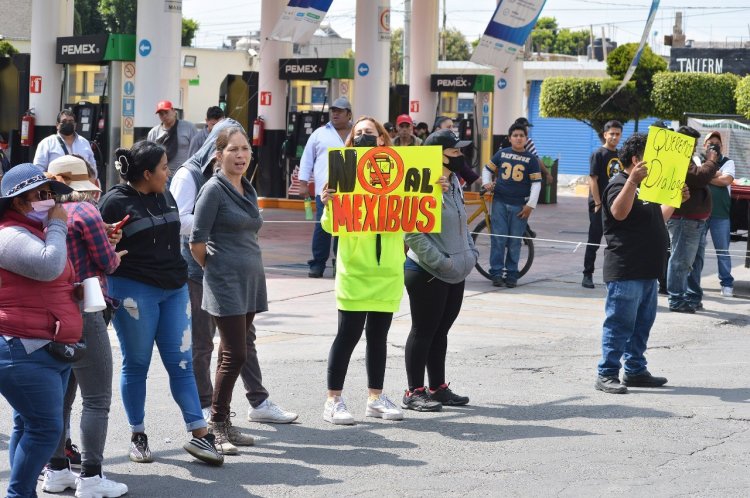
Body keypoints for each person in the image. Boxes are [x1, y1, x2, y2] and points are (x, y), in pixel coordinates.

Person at [98, 141, 223, 466]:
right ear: (147, 173)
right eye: (164, 168)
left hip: (174, 290)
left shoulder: (165, 195)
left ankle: (199, 434)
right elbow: (96, 247)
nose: (169, 173)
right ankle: (138, 435)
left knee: (181, 364)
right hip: (133, 293)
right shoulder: (113, 202)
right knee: (137, 363)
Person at [172, 120, 298, 428]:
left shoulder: (243, 183)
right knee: (205, 342)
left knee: (240, 343)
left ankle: (256, 400)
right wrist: (214, 263)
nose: (240, 154)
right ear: (217, 149)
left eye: (245, 148)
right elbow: (185, 224)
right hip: (203, 271)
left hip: (241, 277)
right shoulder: (191, 176)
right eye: (233, 148)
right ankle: (208, 408)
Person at [40, 155, 128, 497]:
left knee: (62, 397)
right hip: (86, 309)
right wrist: (114, 249)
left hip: (52, 312)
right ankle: (91, 477)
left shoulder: (43, 212)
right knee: (96, 398)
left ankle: (57, 469)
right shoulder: (88, 210)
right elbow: (107, 262)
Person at [319, 116, 406, 425]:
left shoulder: (401, 173)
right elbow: (331, 227)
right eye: (359, 134)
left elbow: (416, 214)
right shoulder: (342, 173)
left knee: (379, 336)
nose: (366, 137)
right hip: (355, 271)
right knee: (348, 335)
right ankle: (334, 400)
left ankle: (375, 397)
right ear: (351, 142)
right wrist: (328, 205)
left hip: (388, 272)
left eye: (371, 133)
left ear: (383, 138)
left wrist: (434, 189)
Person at [0, 163, 79, 498]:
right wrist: (58, 226)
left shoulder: (32, 230)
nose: (52, 202)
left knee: (29, 425)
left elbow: (53, 277)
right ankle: (19, 494)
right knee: (47, 430)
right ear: (19, 202)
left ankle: (21, 491)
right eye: (43, 195)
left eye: (52, 195)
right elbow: (49, 266)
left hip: (46, 345)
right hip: (24, 348)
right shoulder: (9, 235)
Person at [595, 133, 689, 394]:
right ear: (637, 160)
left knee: (641, 324)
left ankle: (635, 370)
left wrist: (674, 198)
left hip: (648, 269)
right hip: (626, 269)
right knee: (620, 324)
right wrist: (632, 181)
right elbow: (618, 212)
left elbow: (658, 217)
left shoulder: (649, 187)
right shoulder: (620, 183)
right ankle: (607, 373)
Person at [402, 129, 478, 412]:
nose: (460, 156)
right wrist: (441, 261)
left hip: (456, 269)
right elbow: (411, 231)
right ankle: (414, 391)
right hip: (427, 271)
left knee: (440, 330)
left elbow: (462, 222)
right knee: (423, 330)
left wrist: (470, 253)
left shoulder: (454, 182)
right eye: (454, 151)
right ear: (437, 154)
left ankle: (437, 387)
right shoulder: (422, 183)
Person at [666, 126, 719, 313]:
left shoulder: (688, 158)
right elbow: (700, 177)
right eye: (691, 144)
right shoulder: (676, 158)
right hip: (684, 219)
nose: (694, 148)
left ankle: (691, 295)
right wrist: (711, 161)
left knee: (694, 261)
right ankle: (677, 299)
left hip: (695, 220)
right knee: (681, 260)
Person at [482, 122, 542, 288]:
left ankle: (512, 274)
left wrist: (531, 205)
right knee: (498, 239)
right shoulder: (502, 153)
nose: (518, 138)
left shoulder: (532, 159)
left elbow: (537, 183)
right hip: (499, 202)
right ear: (509, 138)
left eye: (521, 135)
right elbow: (487, 169)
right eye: (515, 135)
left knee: (515, 241)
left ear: (526, 139)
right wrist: (486, 183)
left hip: (519, 205)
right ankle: (496, 273)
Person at [298, 96, 352, 278]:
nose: (335, 114)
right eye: (333, 110)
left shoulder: (356, 134)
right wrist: (303, 183)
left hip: (350, 191)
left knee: (344, 229)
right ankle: (317, 263)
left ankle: (340, 263)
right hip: (325, 192)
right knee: (322, 228)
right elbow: (307, 159)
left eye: (340, 111)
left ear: (349, 114)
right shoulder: (319, 133)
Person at [582, 120, 623, 289]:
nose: (614, 137)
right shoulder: (598, 154)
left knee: (617, 242)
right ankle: (587, 274)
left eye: (617, 134)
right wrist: (598, 203)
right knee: (594, 240)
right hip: (600, 205)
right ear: (605, 134)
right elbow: (593, 179)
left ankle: (616, 275)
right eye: (611, 133)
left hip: (617, 205)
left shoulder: (621, 155)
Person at [704, 131, 735, 298]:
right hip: (699, 213)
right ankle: (691, 283)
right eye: (710, 142)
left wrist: (706, 175)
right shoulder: (697, 160)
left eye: (716, 143)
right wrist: (716, 173)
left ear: (722, 146)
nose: (713, 145)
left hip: (720, 214)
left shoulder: (728, 162)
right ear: (704, 145)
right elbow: (696, 175)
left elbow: (726, 180)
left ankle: (727, 283)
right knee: (695, 250)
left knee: (723, 251)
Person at [33, 109, 97, 174]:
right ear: (57, 125)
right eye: (64, 121)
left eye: (71, 121)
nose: (68, 123)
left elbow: (93, 168)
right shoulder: (46, 143)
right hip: (57, 183)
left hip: (82, 183)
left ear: (75, 125)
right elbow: (38, 169)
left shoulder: (84, 143)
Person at [147, 100, 197, 175]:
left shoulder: (189, 128)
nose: (164, 116)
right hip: (162, 177)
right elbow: (149, 156)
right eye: (161, 114)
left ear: (173, 111)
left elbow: (197, 151)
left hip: (184, 174)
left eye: (166, 112)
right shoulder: (154, 133)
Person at [433, 116, 479, 186]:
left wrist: (488, 182)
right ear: (438, 129)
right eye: (448, 127)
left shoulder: (457, 157)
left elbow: (469, 174)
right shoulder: (428, 151)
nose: (452, 130)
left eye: (452, 127)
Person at [512, 117, 553, 184]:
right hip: (520, 179)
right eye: (527, 127)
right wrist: (547, 173)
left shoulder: (507, 139)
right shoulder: (527, 141)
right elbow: (536, 159)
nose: (528, 129)